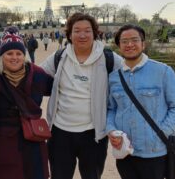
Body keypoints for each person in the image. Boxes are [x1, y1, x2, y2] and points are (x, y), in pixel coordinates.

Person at [40, 13, 122, 179]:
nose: (82, 35)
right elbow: (34, 77)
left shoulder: (110, 59)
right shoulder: (58, 57)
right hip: (60, 132)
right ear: (69, 34)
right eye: (77, 30)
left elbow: (131, 81)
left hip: (94, 134)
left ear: (95, 33)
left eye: (87, 30)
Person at [106, 24, 175, 179]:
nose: (130, 44)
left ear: (143, 44)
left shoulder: (163, 71)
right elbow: (111, 109)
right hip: (125, 152)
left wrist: (160, 133)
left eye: (134, 40)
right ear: (119, 46)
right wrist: (111, 130)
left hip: (154, 152)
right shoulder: (113, 78)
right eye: (124, 41)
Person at [0, 26, 53, 179]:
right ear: (1, 55)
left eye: (18, 53)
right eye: (9, 53)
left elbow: (59, 90)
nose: (14, 57)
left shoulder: (37, 74)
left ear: (24, 55)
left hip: (32, 139)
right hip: (2, 141)